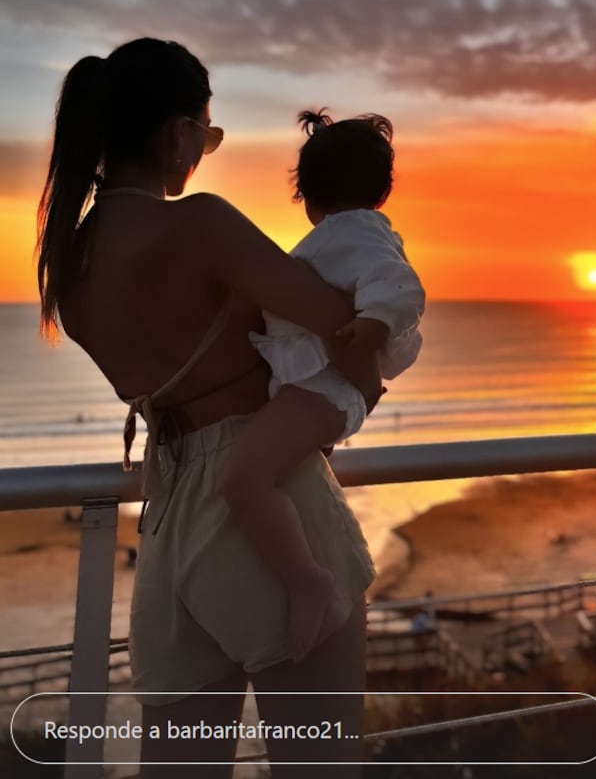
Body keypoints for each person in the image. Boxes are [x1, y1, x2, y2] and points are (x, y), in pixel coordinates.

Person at [36, 38, 383, 777]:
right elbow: (339, 317)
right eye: (207, 134)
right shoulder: (197, 225)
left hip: (166, 517)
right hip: (265, 496)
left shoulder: (71, 265)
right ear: (176, 134)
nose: (204, 151)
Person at [219, 108, 424, 662]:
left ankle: (306, 579)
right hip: (320, 388)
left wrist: (372, 325)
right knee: (272, 475)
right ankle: (303, 570)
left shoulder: (352, 235)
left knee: (241, 479)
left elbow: (400, 285)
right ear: (382, 190)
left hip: (327, 389)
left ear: (306, 196)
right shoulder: (351, 235)